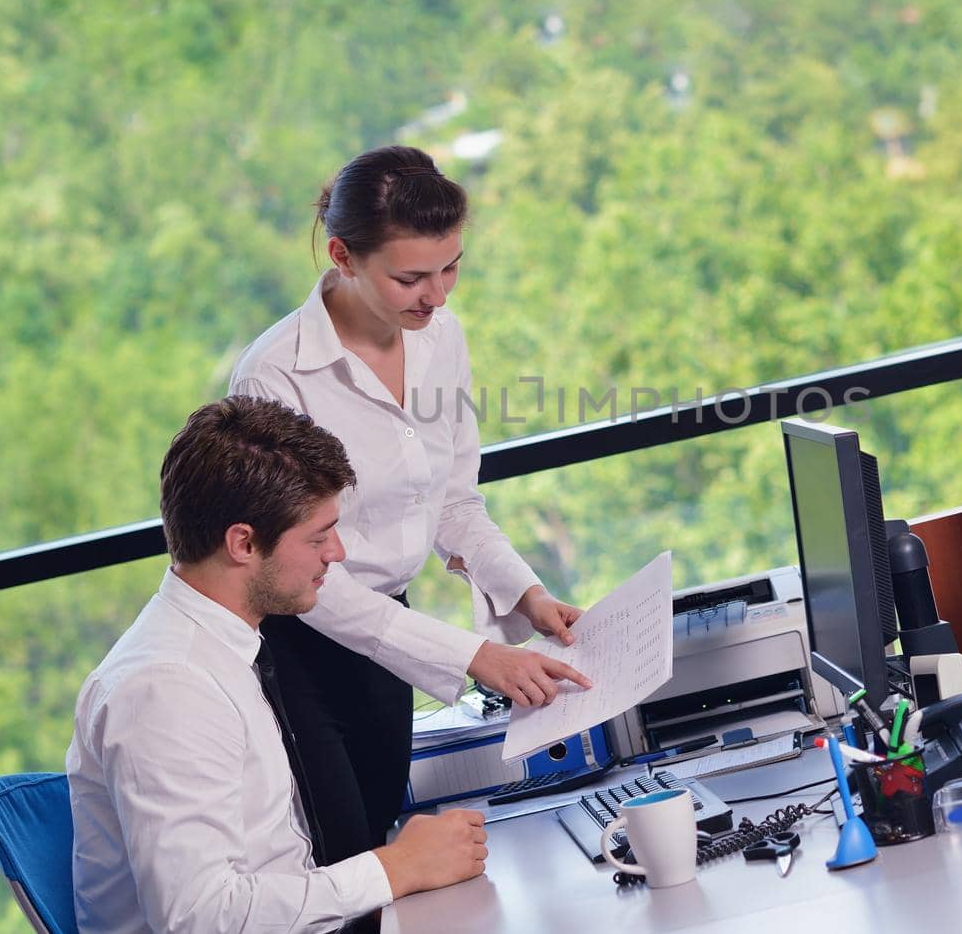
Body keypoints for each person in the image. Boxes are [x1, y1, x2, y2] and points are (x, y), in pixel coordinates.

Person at [228, 145, 592, 868]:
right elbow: (304, 576)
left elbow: (452, 502)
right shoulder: (274, 378)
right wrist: (472, 655)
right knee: (347, 859)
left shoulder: (441, 340)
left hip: (387, 644)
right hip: (298, 646)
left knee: (384, 838)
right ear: (342, 256)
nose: (438, 295)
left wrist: (526, 592)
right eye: (410, 277)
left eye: (451, 267)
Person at [67, 396, 488, 932]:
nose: (336, 553)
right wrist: (394, 867)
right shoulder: (166, 691)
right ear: (243, 543)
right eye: (317, 536)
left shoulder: (227, 648)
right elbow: (200, 919)